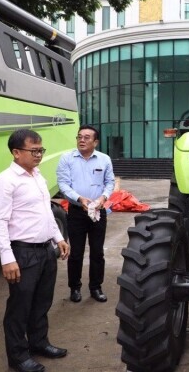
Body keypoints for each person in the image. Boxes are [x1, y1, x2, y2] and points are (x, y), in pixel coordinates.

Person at [0, 129, 70, 372]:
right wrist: (7, 258)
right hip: (23, 253)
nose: (39, 155)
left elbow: (46, 211)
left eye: (40, 150)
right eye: (33, 151)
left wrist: (58, 237)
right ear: (16, 152)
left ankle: (39, 343)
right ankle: (18, 357)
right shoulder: (5, 182)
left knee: (41, 302)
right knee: (19, 307)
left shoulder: (37, 176)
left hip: (46, 250)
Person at [56, 125, 115, 303]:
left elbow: (110, 182)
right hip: (76, 212)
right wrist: (80, 199)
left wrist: (103, 198)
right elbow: (63, 185)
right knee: (76, 253)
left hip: (98, 211)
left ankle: (96, 288)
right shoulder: (67, 159)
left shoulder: (104, 159)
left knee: (97, 252)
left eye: (87, 137)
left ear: (95, 142)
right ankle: (75, 288)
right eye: (79, 137)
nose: (82, 140)